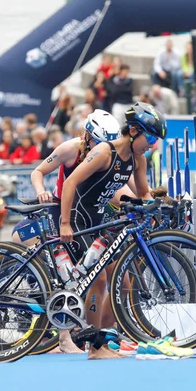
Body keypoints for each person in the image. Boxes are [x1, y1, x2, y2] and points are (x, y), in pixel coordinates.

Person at [11, 109, 136, 354]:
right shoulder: (71, 148)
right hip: (65, 214)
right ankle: (68, 337)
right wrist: (41, 191)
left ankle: (97, 333)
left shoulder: (112, 154)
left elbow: (125, 191)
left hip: (94, 218)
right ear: (87, 137)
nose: (105, 149)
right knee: (84, 277)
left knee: (123, 282)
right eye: (100, 143)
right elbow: (38, 172)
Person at [59, 103, 167, 360]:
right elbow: (71, 182)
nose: (152, 144)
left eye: (155, 140)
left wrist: (162, 205)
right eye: (150, 137)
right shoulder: (103, 152)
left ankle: (105, 338)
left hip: (102, 221)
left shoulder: (137, 159)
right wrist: (64, 223)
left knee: (124, 282)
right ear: (132, 131)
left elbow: (143, 194)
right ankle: (93, 347)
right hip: (80, 220)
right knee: (100, 280)